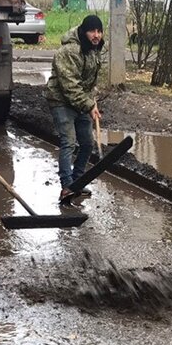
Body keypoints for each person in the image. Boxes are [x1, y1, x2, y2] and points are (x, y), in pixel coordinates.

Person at [46, 14, 104, 203]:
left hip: (81, 100)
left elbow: (89, 81)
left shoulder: (94, 49)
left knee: (87, 142)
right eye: (92, 31)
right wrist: (88, 105)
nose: (96, 35)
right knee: (69, 142)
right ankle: (66, 186)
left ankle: (77, 181)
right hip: (61, 100)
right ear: (83, 32)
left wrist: (92, 100)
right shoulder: (70, 51)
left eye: (99, 31)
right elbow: (70, 86)